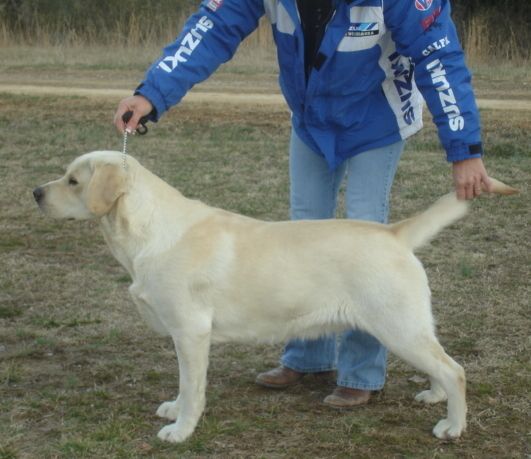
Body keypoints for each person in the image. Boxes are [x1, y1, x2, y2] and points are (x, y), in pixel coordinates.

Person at [114, 0, 492, 408]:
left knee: (366, 243)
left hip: (377, 118)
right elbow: (212, 28)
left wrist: (465, 149)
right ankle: (308, 358)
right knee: (298, 236)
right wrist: (151, 93)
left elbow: (439, 58)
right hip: (311, 120)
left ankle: (361, 373)